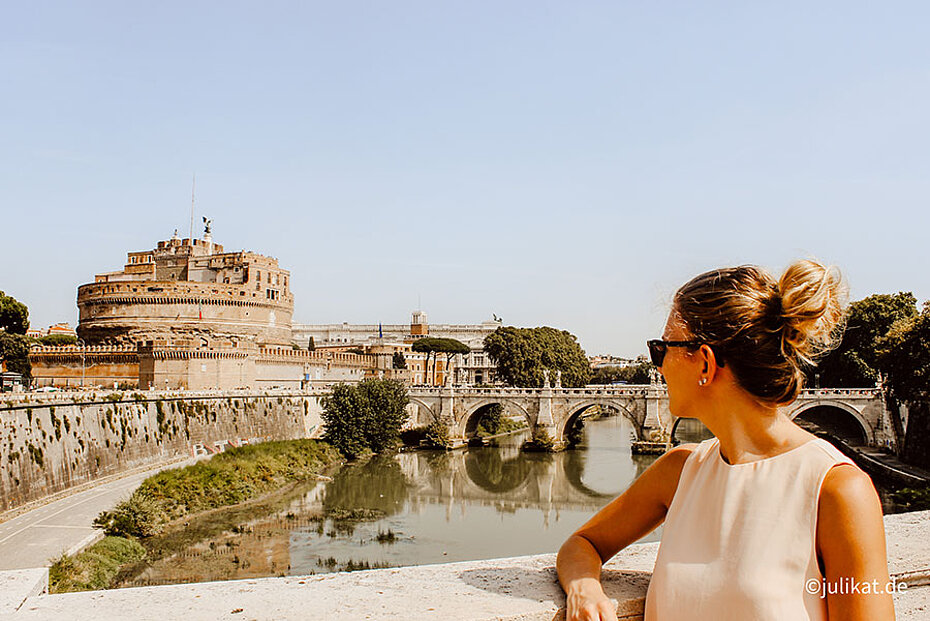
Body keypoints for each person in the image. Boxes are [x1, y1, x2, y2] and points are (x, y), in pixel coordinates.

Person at [557, 260, 895, 621]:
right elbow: (582, 544)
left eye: (661, 349)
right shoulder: (679, 470)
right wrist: (585, 588)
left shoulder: (838, 491)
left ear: (704, 363)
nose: (658, 366)